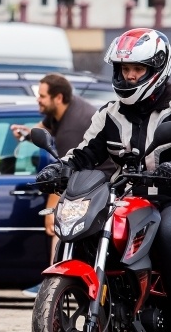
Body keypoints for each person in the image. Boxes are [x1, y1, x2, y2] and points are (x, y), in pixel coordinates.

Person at [36, 28, 171, 332]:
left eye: (137, 70)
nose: (129, 76)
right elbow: (84, 152)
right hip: (128, 200)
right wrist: (59, 168)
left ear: (157, 69)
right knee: (80, 233)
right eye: (124, 69)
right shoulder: (110, 113)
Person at [10, 73, 111, 298]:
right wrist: (27, 135)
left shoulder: (71, 129)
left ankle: (56, 283)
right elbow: (44, 127)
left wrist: (52, 210)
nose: (38, 100)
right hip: (87, 176)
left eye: (42, 97)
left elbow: (66, 174)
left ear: (58, 98)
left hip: (98, 180)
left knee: (61, 225)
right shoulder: (62, 109)